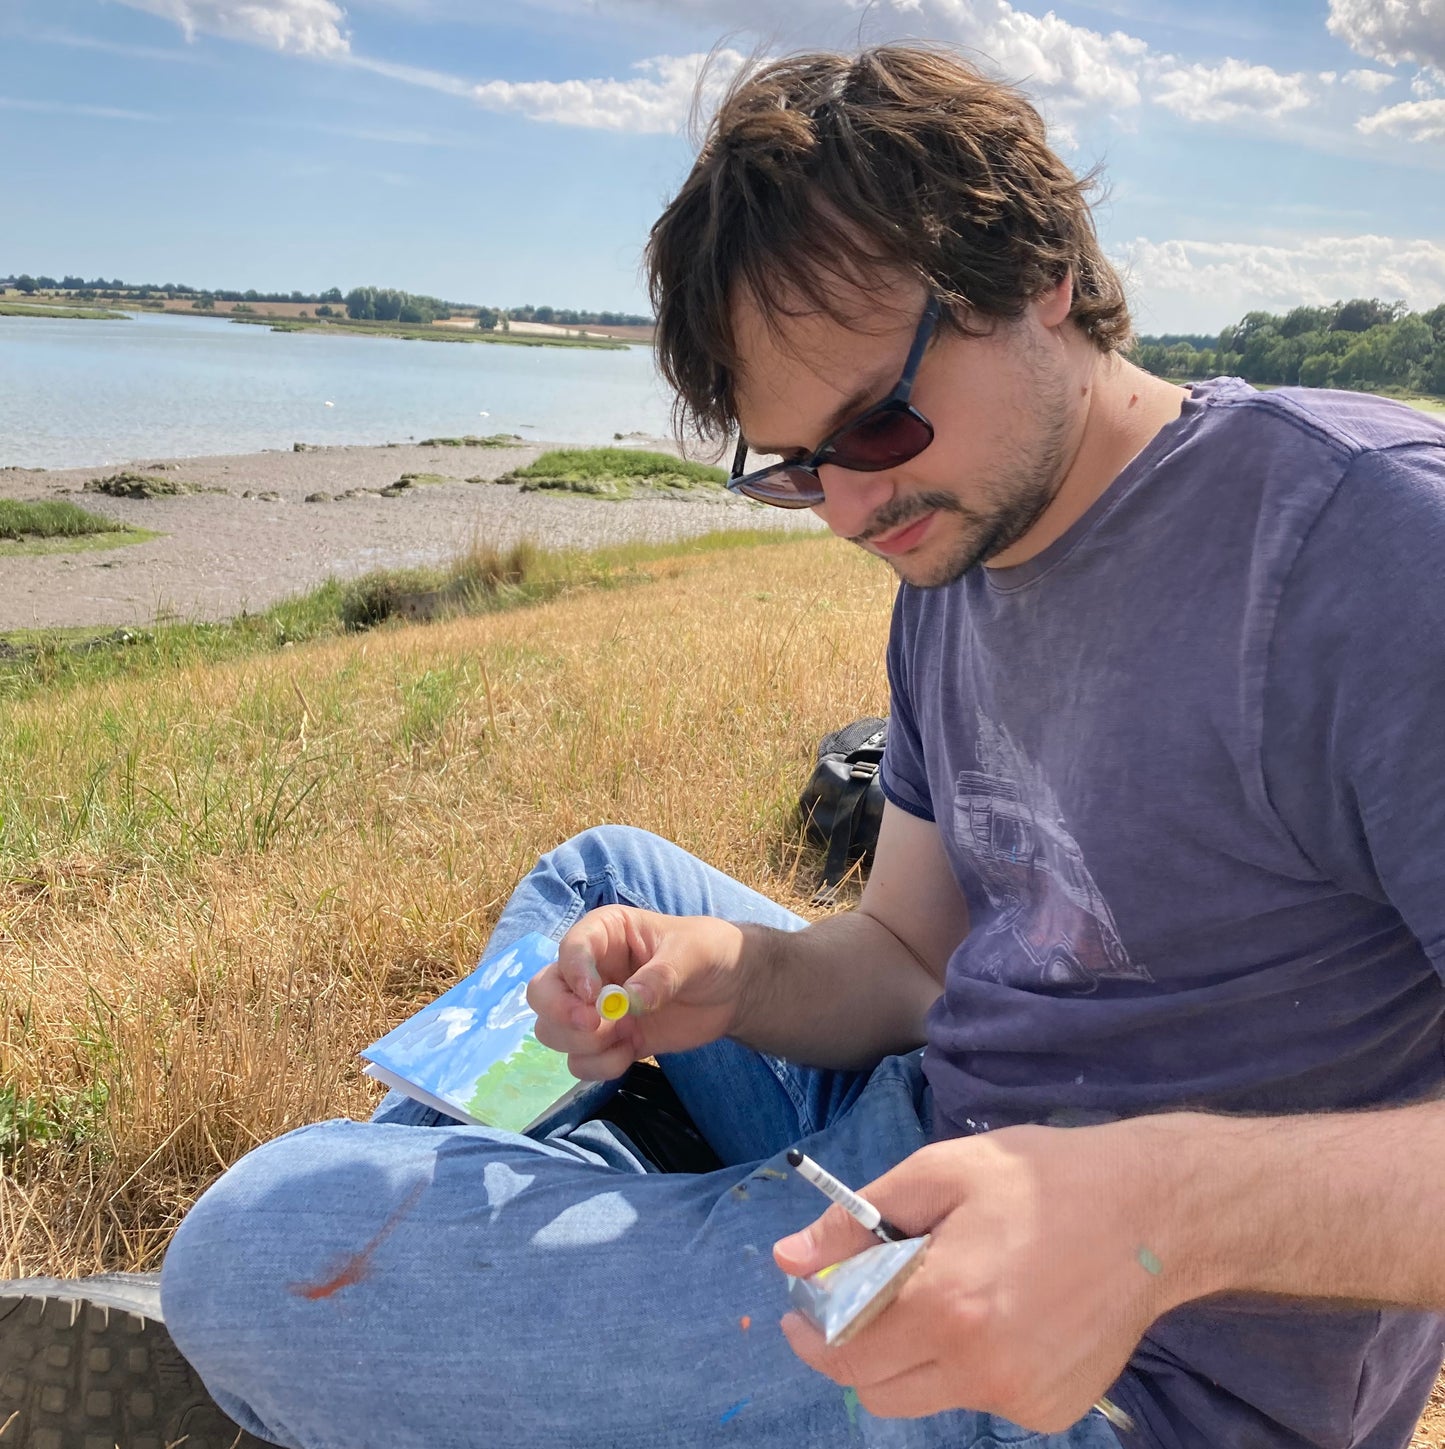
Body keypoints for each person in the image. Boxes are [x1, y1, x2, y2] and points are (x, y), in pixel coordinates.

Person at [4, 42, 1444, 1449]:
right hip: (921, 1121)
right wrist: (735, 980)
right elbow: (908, 960)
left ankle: (476, 1286)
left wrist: (1158, 1209)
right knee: (600, 884)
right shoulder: (951, 560)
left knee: (254, 1246)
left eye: (874, 425)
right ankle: (538, 1254)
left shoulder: (1365, 549)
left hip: (1104, 1351)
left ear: (1041, 276)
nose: (845, 512)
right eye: (791, 467)